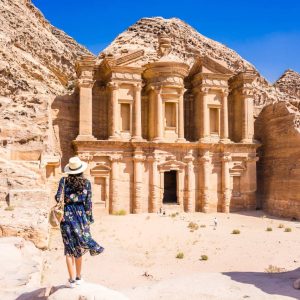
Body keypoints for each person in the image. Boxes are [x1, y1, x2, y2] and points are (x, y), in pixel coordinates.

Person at [55, 156, 104, 288]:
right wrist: (89, 219)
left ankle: (71, 281)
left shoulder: (63, 181)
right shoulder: (86, 183)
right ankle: (78, 277)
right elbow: (88, 203)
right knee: (79, 248)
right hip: (81, 215)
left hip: (66, 216)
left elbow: (57, 197)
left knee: (68, 248)